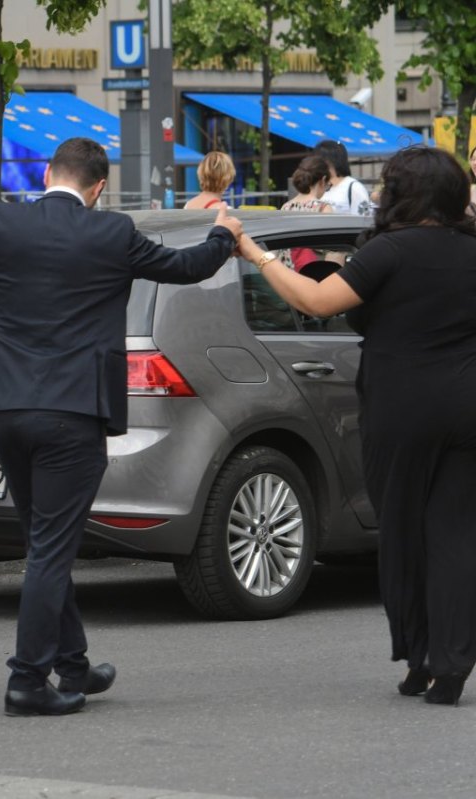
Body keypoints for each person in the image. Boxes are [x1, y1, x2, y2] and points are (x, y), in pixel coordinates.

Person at [0, 137, 241, 716]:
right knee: (52, 549)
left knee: (44, 540)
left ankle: (73, 663)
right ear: (99, 187)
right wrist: (223, 231)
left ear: (49, 173)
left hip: (4, 409)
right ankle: (26, 680)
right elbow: (189, 266)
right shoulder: (113, 234)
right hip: (72, 413)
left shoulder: (0, 223)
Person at [237, 146, 476, 707]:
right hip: (467, 403)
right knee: (457, 534)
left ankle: (418, 656)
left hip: (401, 405)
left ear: (403, 193)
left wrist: (256, 253)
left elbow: (318, 302)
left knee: (401, 528)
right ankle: (453, 661)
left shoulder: (388, 251)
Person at [314, 140, 372, 215]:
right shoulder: (316, 186)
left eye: (319, 159)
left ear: (330, 160)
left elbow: (364, 218)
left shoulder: (354, 187)